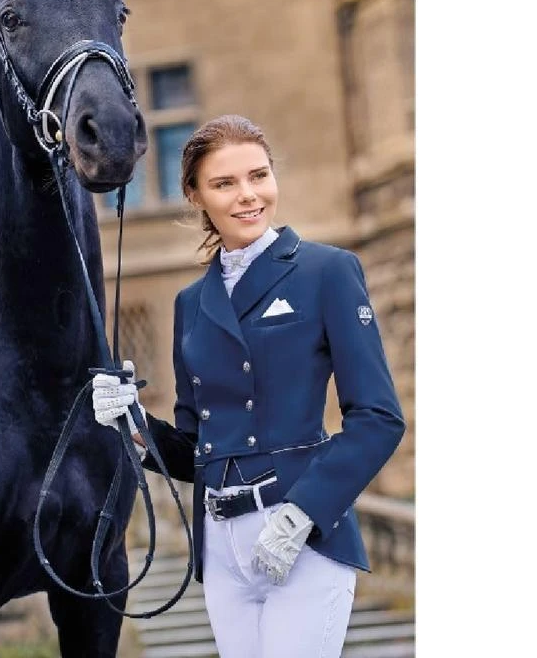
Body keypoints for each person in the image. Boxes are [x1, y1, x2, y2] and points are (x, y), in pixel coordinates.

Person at [92, 114, 405, 657]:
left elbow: (379, 418)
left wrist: (304, 511)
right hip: (221, 547)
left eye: (258, 176)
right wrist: (135, 425)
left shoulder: (327, 272)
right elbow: (198, 448)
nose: (248, 195)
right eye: (224, 183)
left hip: (301, 532)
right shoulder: (191, 303)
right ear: (195, 195)